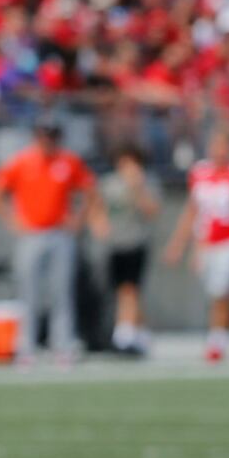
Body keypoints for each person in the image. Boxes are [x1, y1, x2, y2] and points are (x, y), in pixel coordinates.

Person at [0, 120, 105, 365]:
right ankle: (26, 347)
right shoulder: (23, 161)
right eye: (44, 136)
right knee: (29, 292)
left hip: (60, 233)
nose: (48, 141)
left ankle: (62, 346)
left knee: (61, 292)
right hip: (31, 235)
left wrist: (78, 220)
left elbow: (90, 189)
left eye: (53, 136)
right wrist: (10, 219)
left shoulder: (68, 161)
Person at [164, 129, 229, 364]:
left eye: (222, 145)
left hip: (228, 242)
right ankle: (219, 336)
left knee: (221, 292)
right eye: (215, 144)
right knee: (215, 292)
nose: (218, 150)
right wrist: (180, 245)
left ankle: (216, 341)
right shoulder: (200, 173)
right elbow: (193, 211)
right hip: (207, 244)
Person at [98, 142, 161, 356]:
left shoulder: (146, 182)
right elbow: (96, 207)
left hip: (136, 241)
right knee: (123, 291)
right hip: (115, 243)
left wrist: (137, 188)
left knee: (130, 289)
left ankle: (124, 336)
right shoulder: (109, 183)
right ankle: (140, 333)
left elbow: (152, 211)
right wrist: (99, 224)